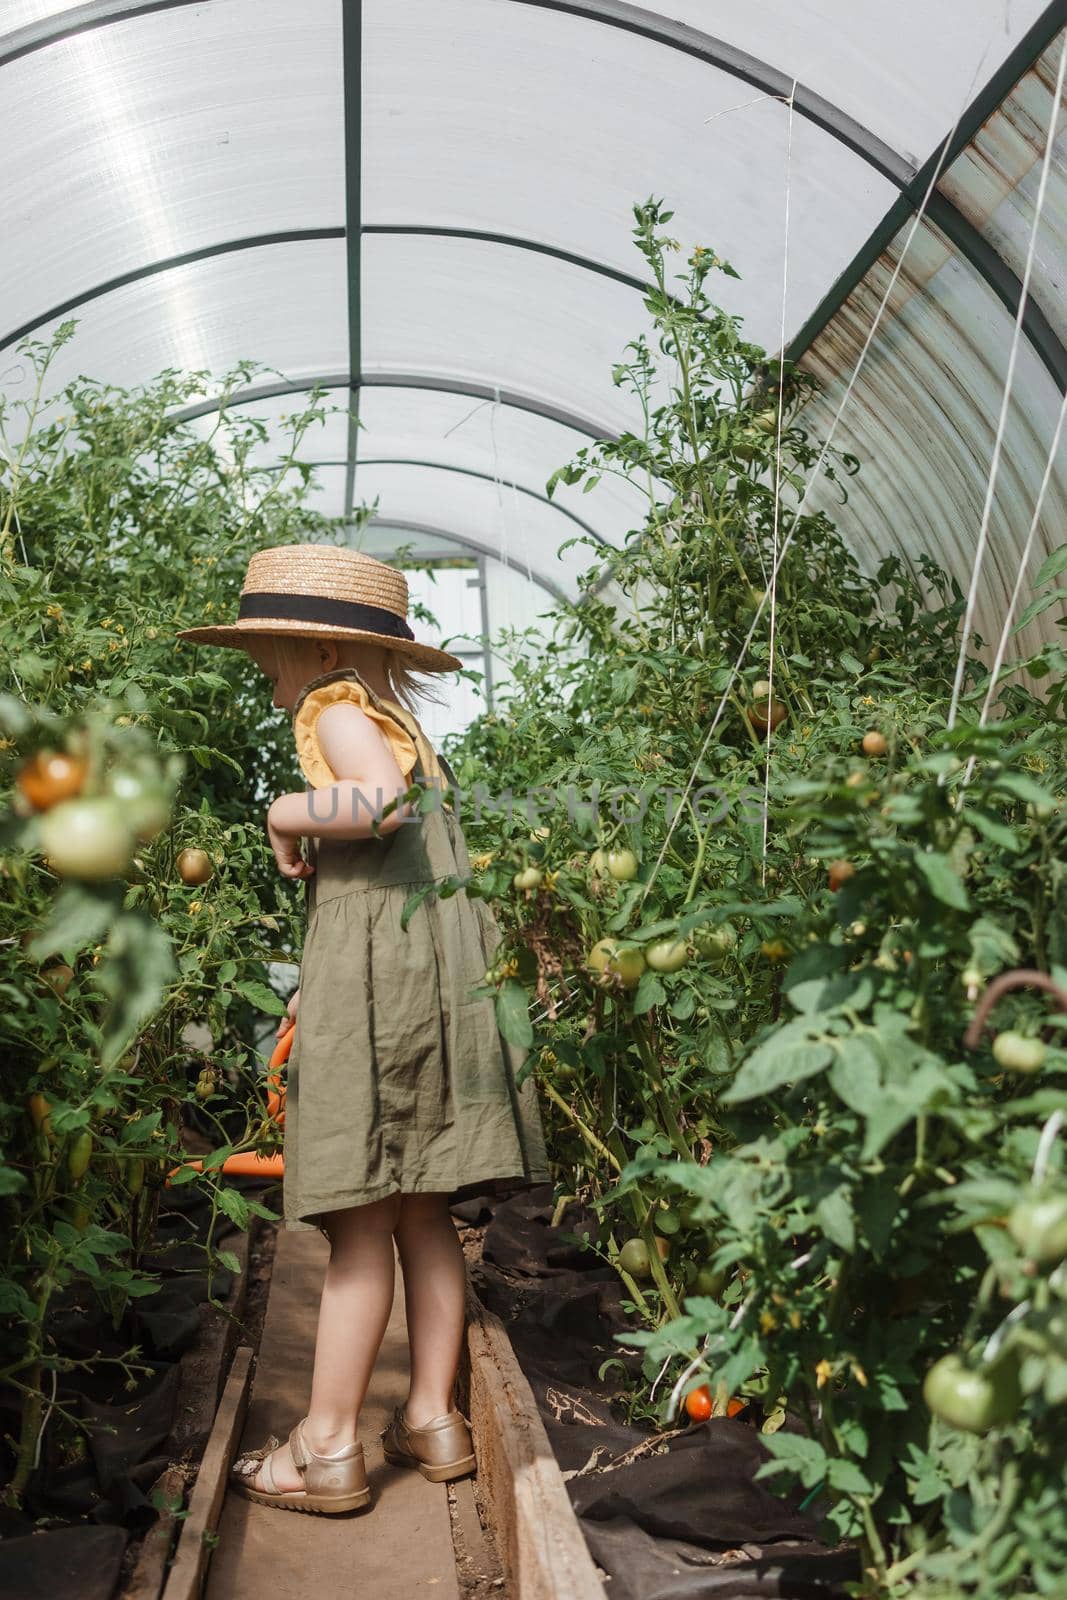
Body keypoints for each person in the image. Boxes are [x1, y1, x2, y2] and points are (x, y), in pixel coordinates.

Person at [177, 543, 549, 1515]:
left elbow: (374, 804)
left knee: (356, 1229)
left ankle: (326, 1443)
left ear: (312, 645)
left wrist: (281, 810)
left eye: (269, 653)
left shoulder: (333, 709)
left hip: (384, 982)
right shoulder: (396, 720)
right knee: (424, 1211)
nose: (265, 672)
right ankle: (431, 1416)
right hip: (425, 970)